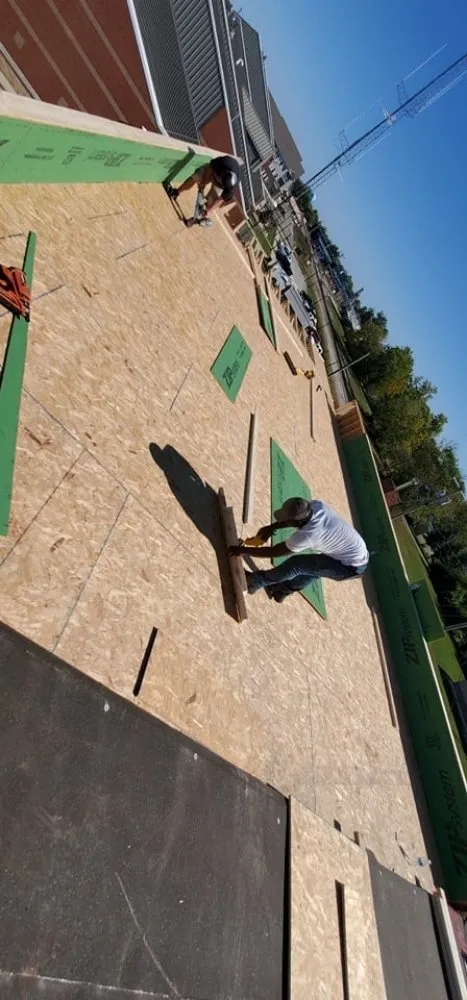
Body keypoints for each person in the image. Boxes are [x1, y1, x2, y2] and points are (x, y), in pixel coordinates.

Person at [229, 496, 369, 602]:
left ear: (297, 522)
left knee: (297, 565)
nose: (284, 521)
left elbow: (274, 552)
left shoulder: (309, 535)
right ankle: (281, 591)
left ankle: (255, 581)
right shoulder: (315, 505)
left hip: (350, 567)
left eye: (288, 521)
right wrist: (271, 528)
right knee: (313, 570)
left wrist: (243, 550)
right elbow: (291, 520)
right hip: (354, 553)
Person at [165, 155, 239, 226]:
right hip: (212, 172)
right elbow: (210, 167)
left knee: (211, 202)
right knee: (196, 177)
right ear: (224, 173)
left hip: (219, 186)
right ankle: (176, 192)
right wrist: (203, 183)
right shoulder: (225, 162)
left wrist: (208, 211)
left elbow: (220, 200)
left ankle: (197, 218)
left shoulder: (231, 190)